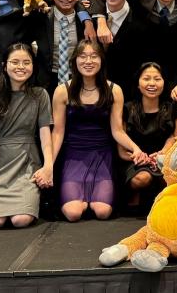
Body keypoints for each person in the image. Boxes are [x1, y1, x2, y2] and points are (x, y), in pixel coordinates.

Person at [52, 39, 146, 221]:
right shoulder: (62, 91)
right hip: (74, 155)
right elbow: (57, 132)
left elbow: (117, 130)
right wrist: (49, 165)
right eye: (83, 56)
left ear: (101, 60)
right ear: (75, 61)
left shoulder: (114, 90)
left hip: (102, 155)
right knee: (73, 213)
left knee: (103, 212)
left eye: (94, 56)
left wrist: (136, 148)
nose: (88, 61)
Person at [0, 44, 52, 229]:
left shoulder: (40, 95)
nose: (21, 67)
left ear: (33, 66)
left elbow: (45, 135)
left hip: (26, 163)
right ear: (4, 65)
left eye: (26, 62)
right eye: (15, 62)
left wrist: (48, 166)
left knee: (21, 220)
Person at [121, 62, 177, 211]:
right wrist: (141, 158)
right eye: (146, 78)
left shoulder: (173, 108)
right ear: (138, 83)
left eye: (157, 79)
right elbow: (121, 150)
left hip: (165, 159)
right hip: (135, 161)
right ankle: (136, 198)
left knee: (171, 177)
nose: (152, 83)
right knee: (142, 178)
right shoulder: (127, 109)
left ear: (164, 82)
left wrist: (164, 154)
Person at [35, 0, 96, 94]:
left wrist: (87, 20)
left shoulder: (86, 21)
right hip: (46, 81)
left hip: (79, 79)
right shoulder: (40, 18)